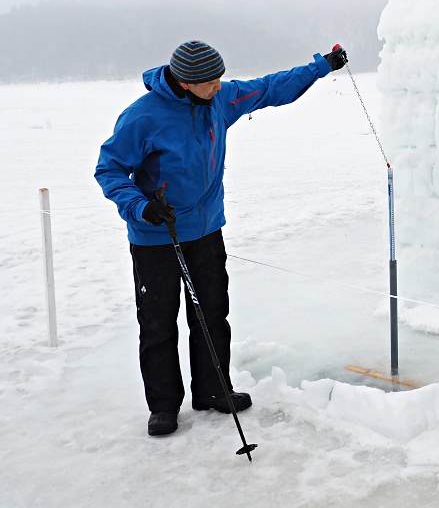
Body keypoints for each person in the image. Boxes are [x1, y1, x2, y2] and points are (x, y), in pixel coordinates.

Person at [95, 40, 347, 437]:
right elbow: (109, 170)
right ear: (185, 81)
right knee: (159, 324)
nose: (218, 86)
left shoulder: (220, 100)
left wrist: (322, 67)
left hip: (207, 229)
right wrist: (140, 206)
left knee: (212, 314)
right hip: (155, 236)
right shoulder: (142, 118)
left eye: (219, 79)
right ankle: (163, 406)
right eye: (209, 82)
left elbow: (269, 88)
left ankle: (213, 390)